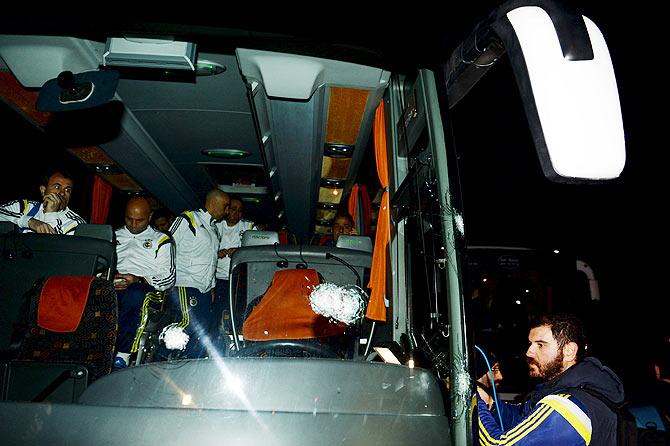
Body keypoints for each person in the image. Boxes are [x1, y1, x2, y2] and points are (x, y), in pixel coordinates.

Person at [477, 313, 624, 445]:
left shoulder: (568, 406)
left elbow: (497, 444)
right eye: (530, 344)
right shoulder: (564, 390)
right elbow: (522, 421)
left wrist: (473, 404)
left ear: (569, 351)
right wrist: (490, 404)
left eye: (540, 345)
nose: (529, 352)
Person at [113, 197, 175, 369]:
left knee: (134, 294)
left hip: (145, 286)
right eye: (128, 219)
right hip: (113, 283)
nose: (133, 224)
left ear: (149, 217)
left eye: (139, 220)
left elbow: (168, 277)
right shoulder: (113, 235)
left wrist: (138, 278)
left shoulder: (160, 239)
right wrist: (106, 276)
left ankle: (123, 352)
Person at [168, 189, 230, 358]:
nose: (227, 211)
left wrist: (211, 288)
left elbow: (211, 261)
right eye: (225, 206)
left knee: (205, 330)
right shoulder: (188, 219)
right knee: (188, 324)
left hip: (204, 289)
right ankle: (162, 357)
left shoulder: (213, 229)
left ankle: (191, 363)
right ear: (213, 203)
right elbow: (167, 245)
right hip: (184, 283)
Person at [214, 197, 255, 337]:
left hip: (239, 278)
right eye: (233, 209)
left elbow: (257, 249)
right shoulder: (214, 226)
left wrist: (239, 252)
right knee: (217, 310)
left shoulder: (248, 227)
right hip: (217, 278)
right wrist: (216, 254)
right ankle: (218, 335)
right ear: (226, 210)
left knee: (238, 310)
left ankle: (236, 336)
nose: (236, 213)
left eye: (240, 210)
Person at [0, 169, 85, 234]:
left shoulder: (76, 224)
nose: (62, 193)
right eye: (57, 187)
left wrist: (51, 214)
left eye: (67, 190)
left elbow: (55, 249)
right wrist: (29, 222)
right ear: (43, 190)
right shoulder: (24, 207)